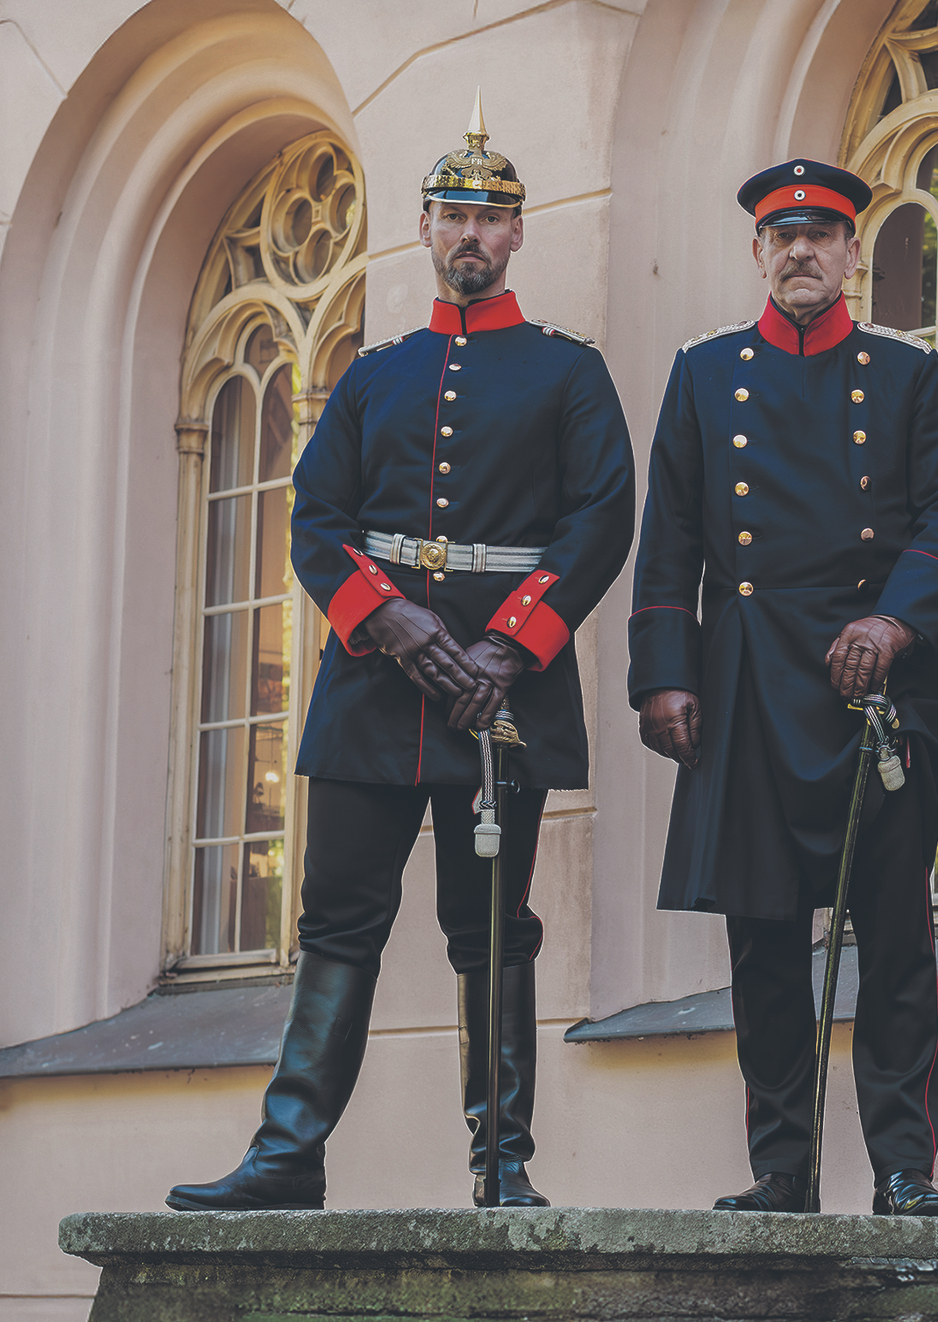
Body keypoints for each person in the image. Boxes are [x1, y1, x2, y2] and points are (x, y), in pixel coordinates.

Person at [166, 93, 636, 1212]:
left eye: (491, 216)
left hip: (500, 696)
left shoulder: (570, 372)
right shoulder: (374, 375)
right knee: (336, 920)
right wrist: (390, 617)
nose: (471, 234)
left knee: (492, 933)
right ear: (423, 227)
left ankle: (503, 1164)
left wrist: (507, 648)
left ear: (518, 233)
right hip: (374, 688)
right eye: (452, 214)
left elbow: (602, 517)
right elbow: (313, 515)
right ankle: (288, 1155)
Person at [628, 158, 938, 1216]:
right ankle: (782, 1169)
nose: (800, 250)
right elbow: (671, 536)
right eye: (782, 235)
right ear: (757, 252)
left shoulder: (907, 375)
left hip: (877, 683)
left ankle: (904, 1166)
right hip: (745, 678)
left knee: (897, 942)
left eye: (821, 233)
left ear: (851, 252)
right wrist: (664, 673)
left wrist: (893, 619)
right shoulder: (701, 374)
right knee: (765, 941)